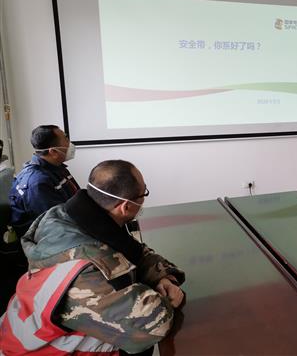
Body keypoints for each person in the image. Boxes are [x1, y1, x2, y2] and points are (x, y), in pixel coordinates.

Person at [0, 160, 186, 355]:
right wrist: (166, 296)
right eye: (143, 194)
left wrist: (163, 277)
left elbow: (137, 252)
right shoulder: (84, 266)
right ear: (126, 207)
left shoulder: (73, 216)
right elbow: (153, 326)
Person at [9, 125, 79, 236]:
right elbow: (56, 225)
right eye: (66, 139)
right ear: (53, 152)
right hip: (47, 238)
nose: (70, 143)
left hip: (66, 224)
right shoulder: (37, 183)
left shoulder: (56, 167)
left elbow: (76, 199)